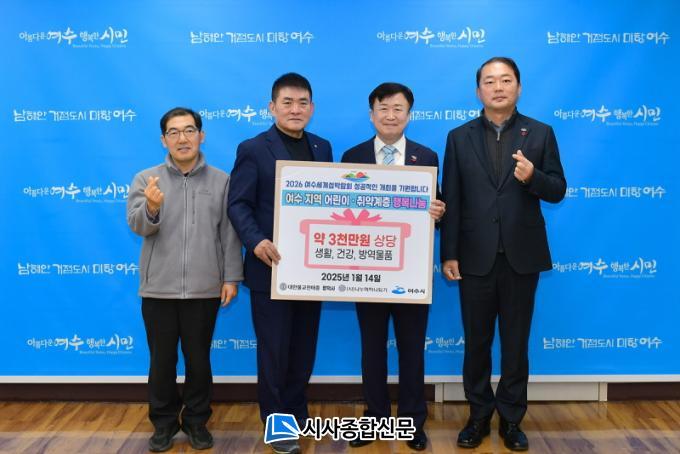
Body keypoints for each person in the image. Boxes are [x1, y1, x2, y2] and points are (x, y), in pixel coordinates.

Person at [440, 57, 566, 451]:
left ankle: (512, 419)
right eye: (490, 81)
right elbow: (452, 198)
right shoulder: (458, 137)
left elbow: (558, 189)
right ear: (478, 90)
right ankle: (478, 416)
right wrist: (449, 253)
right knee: (476, 343)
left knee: (515, 343)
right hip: (473, 257)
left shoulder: (540, 133)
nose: (498, 87)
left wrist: (532, 177)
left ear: (519, 87)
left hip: (521, 257)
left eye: (506, 80)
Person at [227, 73, 333, 454]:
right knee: (274, 351)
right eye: (287, 102)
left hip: (311, 270)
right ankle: (277, 425)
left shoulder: (322, 147)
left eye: (302, 102)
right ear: (272, 107)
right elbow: (238, 204)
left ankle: (296, 412)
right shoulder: (253, 148)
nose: (295, 109)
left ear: (312, 108)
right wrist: (256, 241)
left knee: (303, 349)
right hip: (269, 268)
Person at [127, 107, 243, 452]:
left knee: (198, 361)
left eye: (189, 130)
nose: (182, 138)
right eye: (174, 132)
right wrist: (151, 207)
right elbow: (137, 225)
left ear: (201, 136)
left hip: (204, 289)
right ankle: (163, 424)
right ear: (164, 139)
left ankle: (196, 422)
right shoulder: (146, 179)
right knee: (161, 362)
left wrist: (231, 277)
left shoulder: (221, 181)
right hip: (158, 290)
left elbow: (229, 235)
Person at [341, 82, 445, 451]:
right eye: (383, 108)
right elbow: (341, 210)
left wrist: (439, 212)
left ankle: (412, 422)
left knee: (412, 349)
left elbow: (438, 208)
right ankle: (375, 418)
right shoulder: (352, 157)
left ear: (409, 115)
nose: (390, 115)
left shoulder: (426, 157)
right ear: (371, 115)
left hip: (411, 271)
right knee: (372, 349)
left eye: (398, 109)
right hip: (367, 272)